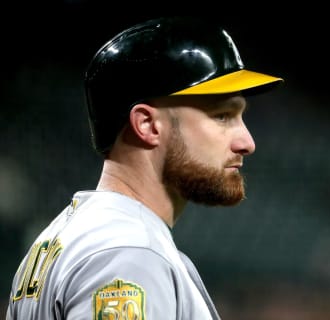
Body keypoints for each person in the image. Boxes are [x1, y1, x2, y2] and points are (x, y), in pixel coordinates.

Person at [5, 16, 283, 319]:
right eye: (222, 116)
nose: (247, 142)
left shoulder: (67, 238)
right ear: (147, 124)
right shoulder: (129, 251)